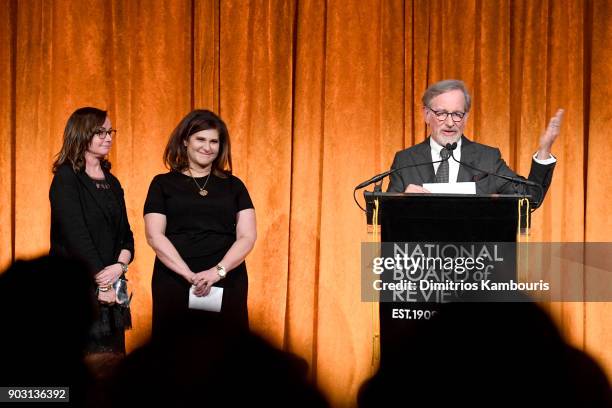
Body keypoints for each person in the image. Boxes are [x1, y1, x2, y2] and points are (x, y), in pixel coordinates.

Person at [144, 109, 256, 338]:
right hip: (175, 279)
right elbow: (155, 236)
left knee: (225, 351)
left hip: (226, 279)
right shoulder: (162, 184)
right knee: (174, 351)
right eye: (201, 139)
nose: (208, 147)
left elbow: (247, 236)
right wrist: (188, 275)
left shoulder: (234, 185)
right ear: (185, 140)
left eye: (214, 141)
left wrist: (217, 272)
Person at [388, 79, 564, 207]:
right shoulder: (405, 161)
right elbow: (381, 215)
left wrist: (544, 150)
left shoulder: (487, 159)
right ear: (426, 115)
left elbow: (530, 198)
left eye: (457, 114)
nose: (450, 122)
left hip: (475, 256)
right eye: (441, 113)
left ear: (466, 117)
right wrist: (400, 200)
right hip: (420, 255)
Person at [49, 107, 134, 367]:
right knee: (81, 369)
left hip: (113, 284)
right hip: (79, 289)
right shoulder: (66, 178)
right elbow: (76, 235)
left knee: (112, 368)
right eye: (100, 132)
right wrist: (103, 281)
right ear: (81, 134)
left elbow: (126, 235)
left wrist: (120, 266)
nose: (108, 137)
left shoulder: (112, 181)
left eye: (110, 131)